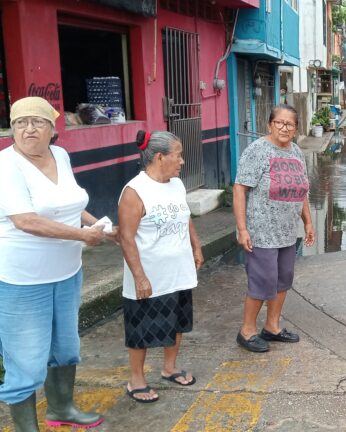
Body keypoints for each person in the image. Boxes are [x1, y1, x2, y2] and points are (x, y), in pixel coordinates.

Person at [0, 96, 109, 430]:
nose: (29, 129)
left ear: (52, 127)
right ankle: (25, 427)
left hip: (67, 273)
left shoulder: (60, 155)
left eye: (37, 121)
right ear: (12, 129)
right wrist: (82, 237)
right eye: (21, 122)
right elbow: (26, 221)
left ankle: (61, 408)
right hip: (22, 281)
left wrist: (97, 226)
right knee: (26, 360)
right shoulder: (7, 165)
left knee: (65, 347)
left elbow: (69, 204)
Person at [118, 131, 203, 403]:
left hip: (178, 271)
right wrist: (139, 277)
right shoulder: (134, 191)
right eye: (177, 155)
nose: (181, 161)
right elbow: (126, 237)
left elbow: (185, 215)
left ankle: (170, 367)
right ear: (159, 157)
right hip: (149, 276)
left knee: (177, 323)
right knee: (140, 328)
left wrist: (196, 246)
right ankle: (136, 380)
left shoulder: (175, 184)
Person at [233, 104, 316, 353]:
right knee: (262, 282)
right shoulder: (258, 150)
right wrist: (242, 229)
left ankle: (272, 327)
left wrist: (308, 222)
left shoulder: (296, 152)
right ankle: (247, 331)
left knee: (282, 281)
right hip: (261, 232)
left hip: (287, 232)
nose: (284, 128)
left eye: (289, 124)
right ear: (270, 124)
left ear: (296, 129)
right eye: (279, 122)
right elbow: (239, 188)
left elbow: (302, 191)